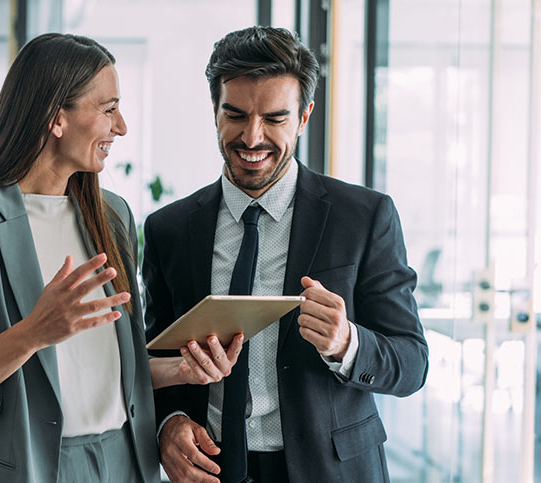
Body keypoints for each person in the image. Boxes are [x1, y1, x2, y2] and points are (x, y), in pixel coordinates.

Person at [0, 33, 243, 483]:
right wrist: (31, 334)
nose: (120, 127)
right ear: (55, 117)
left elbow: (102, 369)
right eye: (108, 109)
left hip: (122, 462)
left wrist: (177, 369)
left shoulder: (112, 216)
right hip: (23, 466)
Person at [142, 26, 429, 483]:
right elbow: (154, 356)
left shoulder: (365, 216)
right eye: (234, 115)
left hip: (331, 471)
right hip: (211, 470)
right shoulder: (168, 230)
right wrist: (168, 424)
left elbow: (412, 362)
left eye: (274, 118)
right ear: (214, 110)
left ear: (304, 116)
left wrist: (347, 343)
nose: (252, 138)